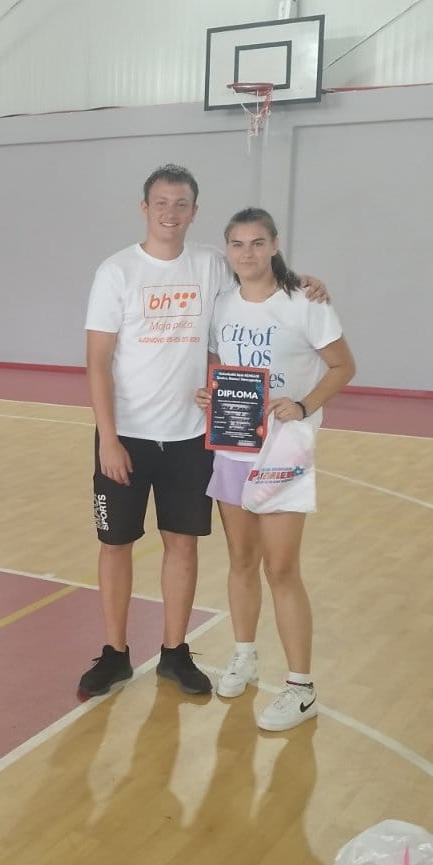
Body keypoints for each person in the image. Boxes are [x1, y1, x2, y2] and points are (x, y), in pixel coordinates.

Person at [79, 164, 329, 699]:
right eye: (161, 203)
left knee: (183, 545)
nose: (170, 213)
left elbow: (260, 275)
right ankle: (115, 653)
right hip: (127, 436)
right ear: (144, 208)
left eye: (181, 204)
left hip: (192, 436)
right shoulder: (116, 271)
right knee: (116, 545)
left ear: (194, 211)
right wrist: (108, 437)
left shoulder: (211, 265)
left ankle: (175, 652)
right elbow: (97, 362)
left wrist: (305, 282)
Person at [198, 207, 355, 731]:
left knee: (281, 570)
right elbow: (218, 361)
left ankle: (301, 689)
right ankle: (244, 655)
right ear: (228, 249)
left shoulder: (305, 302)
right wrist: (213, 391)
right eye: (238, 244)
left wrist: (304, 405)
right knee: (241, 561)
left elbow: (343, 366)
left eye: (257, 243)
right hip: (233, 447)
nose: (247, 253)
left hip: (284, 451)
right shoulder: (222, 302)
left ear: (274, 245)